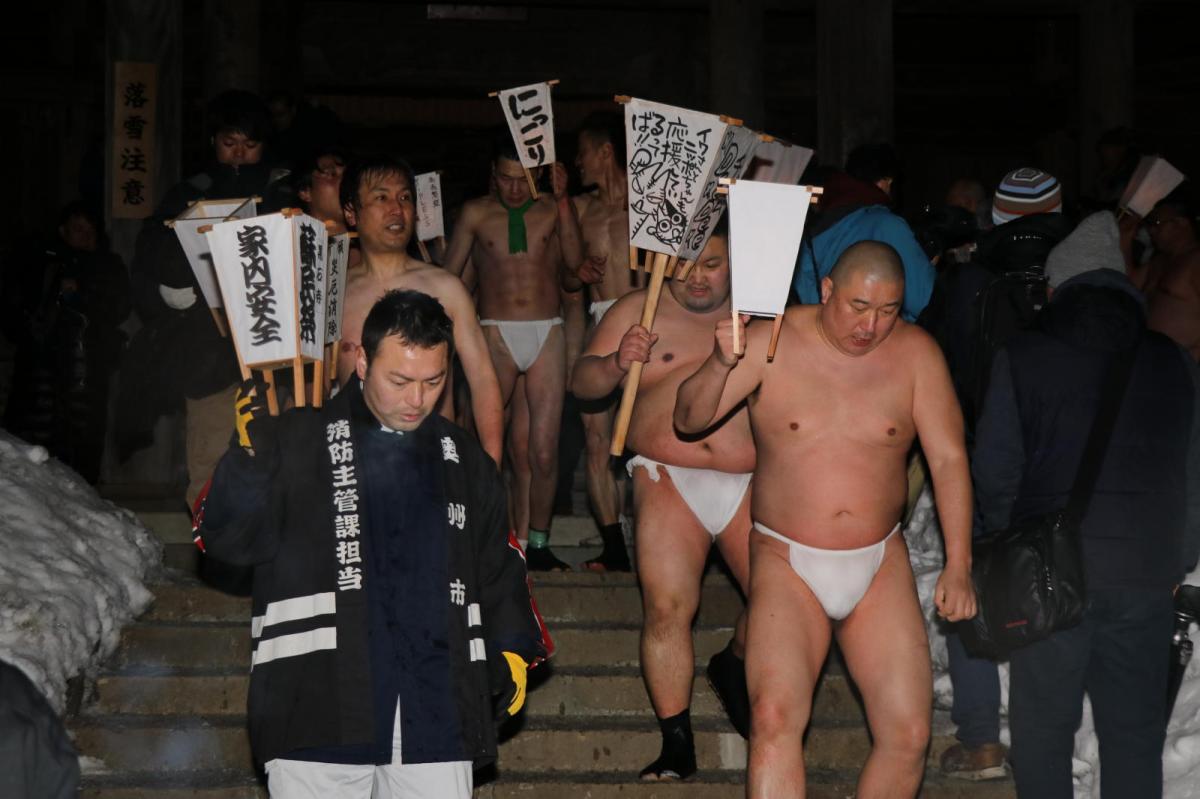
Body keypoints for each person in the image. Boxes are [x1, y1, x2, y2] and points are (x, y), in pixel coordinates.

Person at [196, 290, 550, 798]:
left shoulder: (464, 459)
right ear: (362, 361)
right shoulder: (297, 439)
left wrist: (512, 646)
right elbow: (226, 539)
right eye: (400, 380)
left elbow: (498, 564)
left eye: (433, 381)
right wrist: (246, 463)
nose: (416, 399)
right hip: (314, 706)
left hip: (437, 714)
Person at [675, 240, 976, 797]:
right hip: (787, 558)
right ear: (827, 289)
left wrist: (958, 562)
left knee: (908, 733)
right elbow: (689, 420)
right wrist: (721, 362)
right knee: (774, 718)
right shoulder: (771, 341)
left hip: (878, 559)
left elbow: (949, 459)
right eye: (859, 307)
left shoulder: (915, 355)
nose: (871, 325)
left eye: (888, 311)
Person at [972, 211, 1200, 797]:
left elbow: (995, 472)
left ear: (1056, 287)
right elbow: (1194, 474)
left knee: (1044, 727)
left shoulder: (1022, 355)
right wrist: (1177, 561)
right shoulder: (1175, 360)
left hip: (1050, 573)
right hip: (1146, 575)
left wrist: (1011, 547)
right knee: (1133, 734)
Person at [572, 225, 753, 778]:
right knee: (669, 607)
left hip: (751, 477)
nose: (696, 276)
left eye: (712, 264)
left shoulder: (763, 312)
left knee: (779, 603)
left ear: (734, 263)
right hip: (666, 475)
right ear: (660, 263)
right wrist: (614, 364)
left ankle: (734, 663)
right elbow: (582, 384)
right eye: (683, 265)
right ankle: (677, 741)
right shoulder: (636, 308)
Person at [120, 89, 276, 506]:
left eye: (250, 144)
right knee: (209, 460)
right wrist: (166, 291)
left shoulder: (283, 192)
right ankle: (212, 556)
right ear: (213, 142)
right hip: (208, 355)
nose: (240, 154)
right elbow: (152, 252)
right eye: (230, 143)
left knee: (276, 463)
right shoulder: (189, 193)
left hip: (274, 358)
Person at [442, 134, 584, 570]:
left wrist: (563, 202)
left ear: (538, 174)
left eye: (522, 180)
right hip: (493, 332)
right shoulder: (475, 213)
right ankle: (483, 540)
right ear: (493, 177)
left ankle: (537, 544)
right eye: (505, 180)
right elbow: (450, 276)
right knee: (487, 447)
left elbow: (575, 269)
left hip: (548, 331)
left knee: (543, 450)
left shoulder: (550, 210)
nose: (515, 189)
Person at [336, 155, 503, 465]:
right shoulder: (334, 294)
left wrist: (491, 467)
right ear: (351, 212)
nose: (396, 209)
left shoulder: (446, 288)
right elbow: (312, 389)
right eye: (381, 197)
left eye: (404, 197)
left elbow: (482, 379)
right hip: (358, 463)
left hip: (433, 458)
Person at [2, 202, 129, 483]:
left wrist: (83, 291)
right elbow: (18, 309)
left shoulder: (108, 265)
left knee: (82, 435)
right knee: (36, 431)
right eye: (76, 229)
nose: (83, 235)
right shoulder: (40, 261)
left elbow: (119, 308)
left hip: (87, 366)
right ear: (63, 231)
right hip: (40, 365)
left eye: (89, 230)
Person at [566, 111, 644, 571]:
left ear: (605, 152)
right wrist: (577, 273)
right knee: (597, 440)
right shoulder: (578, 209)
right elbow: (564, 276)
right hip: (601, 321)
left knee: (645, 438)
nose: (578, 163)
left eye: (582, 154)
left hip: (646, 321)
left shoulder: (651, 206)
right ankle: (614, 546)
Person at [794, 143, 935, 322]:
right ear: (887, 182)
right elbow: (924, 300)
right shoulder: (887, 225)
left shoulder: (816, 223)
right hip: (874, 343)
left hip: (817, 333)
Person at [1138, 188, 1200, 360]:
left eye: (1156, 223)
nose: (1151, 230)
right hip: (1146, 357)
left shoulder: (1196, 260)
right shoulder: (1158, 262)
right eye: (1149, 224)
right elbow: (1127, 287)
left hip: (1181, 365)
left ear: (1181, 223)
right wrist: (1125, 238)